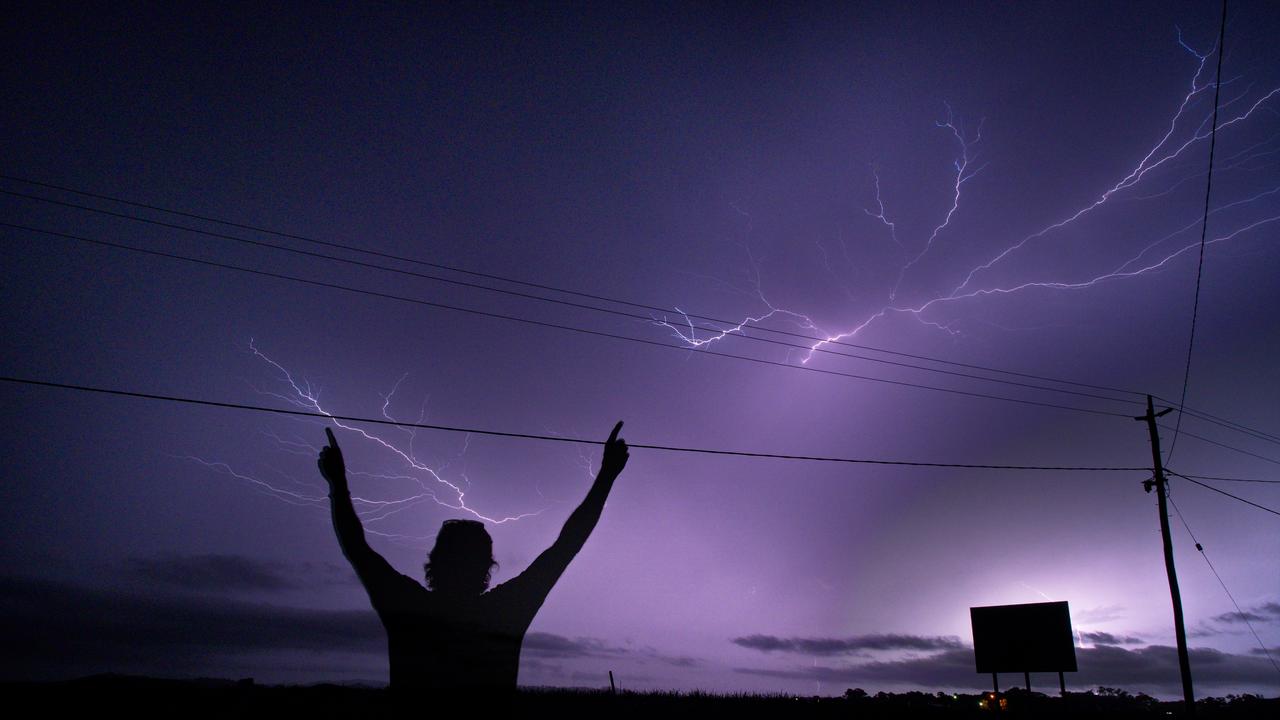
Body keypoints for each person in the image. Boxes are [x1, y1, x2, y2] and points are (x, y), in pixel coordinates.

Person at [317, 421, 629, 696]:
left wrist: (338, 483)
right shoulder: (506, 611)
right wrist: (607, 476)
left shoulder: (405, 606)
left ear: (435, 561)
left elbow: (356, 547)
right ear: (487, 566)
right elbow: (566, 546)